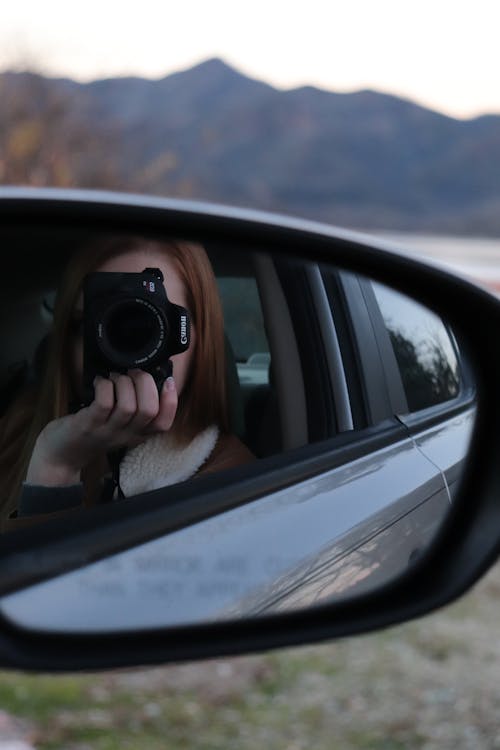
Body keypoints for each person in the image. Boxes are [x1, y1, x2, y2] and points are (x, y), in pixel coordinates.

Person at [0, 235, 254, 529]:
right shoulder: (16, 429)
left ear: (197, 340)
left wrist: (56, 472)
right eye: (94, 324)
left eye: (147, 321)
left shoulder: (233, 483)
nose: (121, 346)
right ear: (65, 341)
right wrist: (53, 460)